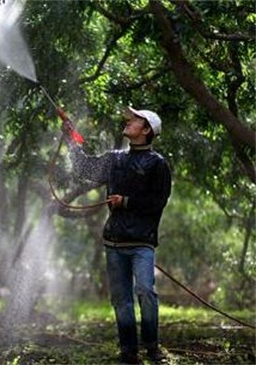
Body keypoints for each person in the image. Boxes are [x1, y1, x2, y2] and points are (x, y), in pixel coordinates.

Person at [65, 106, 172, 364]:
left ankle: (152, 347)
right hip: (113, 241)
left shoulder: (158, 164)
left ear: (146, 130)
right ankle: (128, 351)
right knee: (121, 299)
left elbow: (157, 201)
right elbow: (85, 168)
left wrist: (125, 201)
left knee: (145, 291)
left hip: (141, 242)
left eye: (134, 119)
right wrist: (70, 137)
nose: (128, 121)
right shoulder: (115, 159)